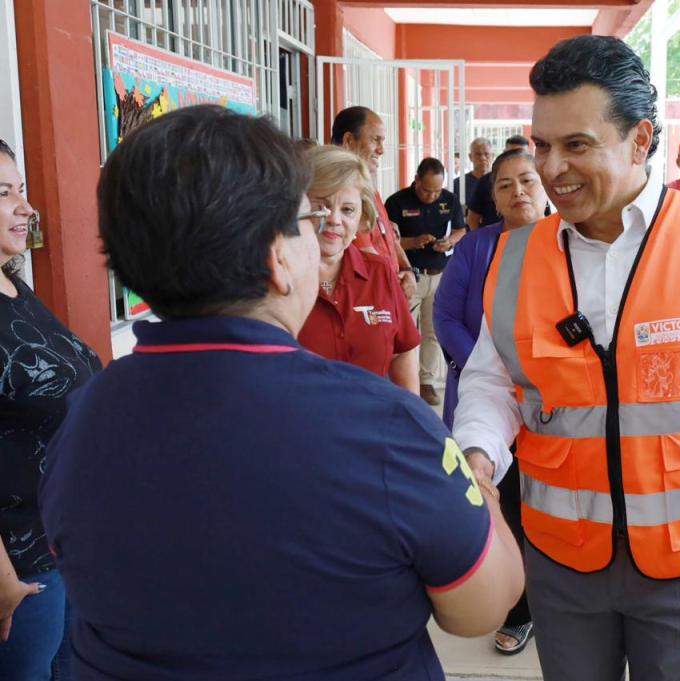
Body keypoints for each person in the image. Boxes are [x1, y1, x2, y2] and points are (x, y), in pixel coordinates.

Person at [38, 106, 524, 681]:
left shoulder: (84, 414)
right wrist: (482, 498)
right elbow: (483, 606)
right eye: (307, 220)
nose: (325, 232)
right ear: (276, 257)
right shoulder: (381, 424)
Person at [453, 35, 680, 681]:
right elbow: (491, 378)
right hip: (561, 559)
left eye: (577, 145)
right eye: (541, 144)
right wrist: (478, 450)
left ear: (641, 139)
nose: (551, 167)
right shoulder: (514, 258)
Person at [434, 149, 548, 656]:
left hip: (557, 411)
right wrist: (490, 360)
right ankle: (518, 609)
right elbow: (447, 318)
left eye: (527, 180)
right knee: (506, 508)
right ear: (493, 195)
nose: (518, 191)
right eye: (505, 185)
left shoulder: (572, 243)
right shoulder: (477, 248)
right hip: (488, 397)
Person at [0, 138, 102, 679]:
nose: (26, 207)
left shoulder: (14, 286)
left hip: (61, 545)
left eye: (22, 190)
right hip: (19, 570)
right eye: (4, 193)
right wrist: (3, 580)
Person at [297, 146, 420, 391]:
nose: (333, 219)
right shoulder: (275, 278)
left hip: (375, 426)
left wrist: (413, 419)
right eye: (321, 206)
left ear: (361, 217)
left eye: (347, 210)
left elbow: (403, 351)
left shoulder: (380, 271)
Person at [386, 158, 467, 406]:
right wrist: (413, 242)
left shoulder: (450, 200)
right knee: (406, 332)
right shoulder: (397, 201)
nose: (432, 196)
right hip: (410, 276)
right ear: (416, 180)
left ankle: (427, 381)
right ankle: (403, 386)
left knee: (433, 332)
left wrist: (449, 242)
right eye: (426, 190)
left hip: (440, 274)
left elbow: (461, 229)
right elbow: (388, 240)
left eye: (436, 191)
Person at [331, 106, 417, 300]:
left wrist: (408, 270)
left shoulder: (367, 185)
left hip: (388, 289)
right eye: (375, 140)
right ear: (349, 141)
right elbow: (366, 253)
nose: (381, 149)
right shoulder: (342, 189)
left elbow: (388, 236)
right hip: (368, 298)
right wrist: (394, 290)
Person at [467, 135, 530, 229]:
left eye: (521, 153)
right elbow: (473, 218)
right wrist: (481, 241)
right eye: (505, 186)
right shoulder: (486, 180)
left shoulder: (538, 180)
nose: (517, 191)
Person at [454, 138, 493, 217]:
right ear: (470, 157)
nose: (483, 158)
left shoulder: (499, 182)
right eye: (478, 154)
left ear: (492, 156)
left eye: (486, 154)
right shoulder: (458, 184)